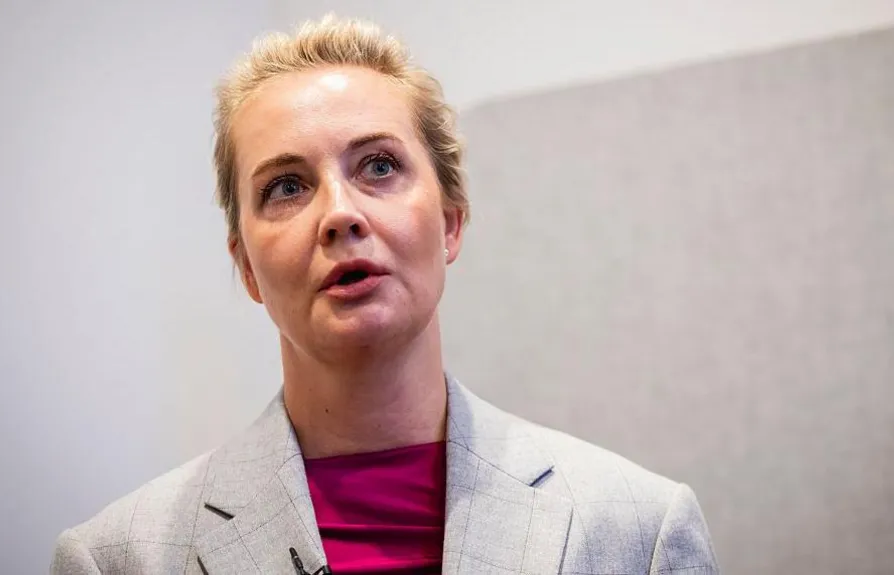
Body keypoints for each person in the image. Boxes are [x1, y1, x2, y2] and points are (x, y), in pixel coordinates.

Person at [51, 15, 719, 575]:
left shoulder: (639, 533)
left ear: (451, 222)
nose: (340, 214)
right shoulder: (117, 559)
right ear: (247, 267)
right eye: (287, 186)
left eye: (378, 165)